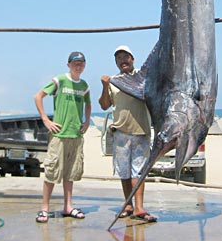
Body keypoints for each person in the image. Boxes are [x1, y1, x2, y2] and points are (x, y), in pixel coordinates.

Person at [99, 45, 157, 223]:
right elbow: (104, 105)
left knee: (138, 172)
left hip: (141, 132)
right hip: (120, 133)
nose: (123, 60)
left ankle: (139, 207)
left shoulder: (145, 78)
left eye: (126, 57)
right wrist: (105, 86)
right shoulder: (115, 81)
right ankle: (128, 205)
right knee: (124, 172)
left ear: (133, 59)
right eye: (119, 58)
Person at [34, 51, 91, 223]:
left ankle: (68, 206)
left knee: (70, 173)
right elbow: (38, 96)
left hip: (76, 135)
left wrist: (87, 121)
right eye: (75, 63)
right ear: (68, 65)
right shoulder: (60, 80)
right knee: (52, 172)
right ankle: (44, 208)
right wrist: (46, 119)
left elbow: (88, 104)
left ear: (84, 65)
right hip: (59, 135)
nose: (78, 66)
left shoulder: (84, 85)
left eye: (81, 63)